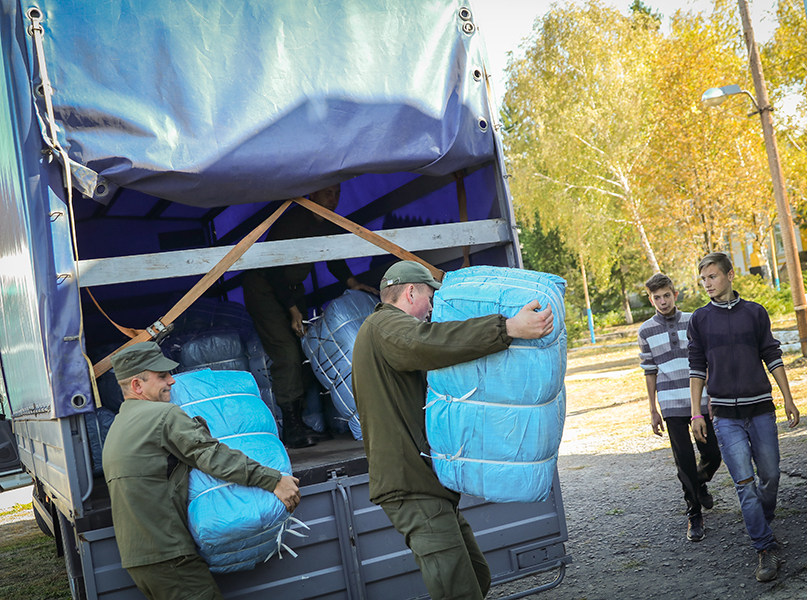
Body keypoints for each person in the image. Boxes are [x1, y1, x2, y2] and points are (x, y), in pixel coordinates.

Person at [351, 261, 554, 600]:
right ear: (410, 292)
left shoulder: (382, 329)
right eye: (429, 298)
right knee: (459, 592)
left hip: (425, 483)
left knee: (476, 575)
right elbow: (430, 343)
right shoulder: (386, 325)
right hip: (410, 486)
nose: (432, 308)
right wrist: (507, 328)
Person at [102, 342, 302, 600]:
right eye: (161, 376)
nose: (172, 381)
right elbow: (211, 455)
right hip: (170, 556)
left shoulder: (119, 424)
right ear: (137, 385)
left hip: (142, 558)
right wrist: (273, 480)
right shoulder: (162, 415)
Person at [687, 252, 800, 583]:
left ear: (730, 275)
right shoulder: (700, 319)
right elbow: (696, 368)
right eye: (703, 279)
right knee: (745, 485)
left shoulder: (755, 312)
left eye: (712, 276)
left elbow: (772, 356)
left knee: (771, 475)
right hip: (725, 416)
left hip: (761, 408)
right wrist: (696, 413)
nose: (707, 284)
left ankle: (762, 520)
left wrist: (788, 398)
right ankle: (764, 547)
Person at [243, 183, 378, 448]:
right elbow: (274, 269)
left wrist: (354, 284)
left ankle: (302, 421)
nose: (333, 198)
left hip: (292, 290)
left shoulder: (327, 222)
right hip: (265, 289)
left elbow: (333, 257)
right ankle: (292, 427)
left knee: (304, 348)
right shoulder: (294, 220)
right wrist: (293, 310)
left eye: (337, 193)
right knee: (286, 353)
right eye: (328, 193)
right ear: (312, 194)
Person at [639, 272, 721, 542]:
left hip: (700, 399)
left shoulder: (693, 320)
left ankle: (699, 482)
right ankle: (694, 512)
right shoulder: (645, 331)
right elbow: (649, 371)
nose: (662, 302)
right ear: (651, 300)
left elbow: (706, 360)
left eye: (666, 296)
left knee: (713, 453)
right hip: (670, 402)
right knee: (683, 459)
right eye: (657, 298)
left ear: (675, 295)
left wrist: (711, 395)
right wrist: (653, 409)